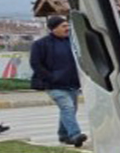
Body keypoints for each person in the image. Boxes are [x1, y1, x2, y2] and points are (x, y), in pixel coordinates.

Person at [30, 15, 86, 146]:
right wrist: (50, 77)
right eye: (63, 26)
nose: (67, 28)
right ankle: (75, 134)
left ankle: (63, 135)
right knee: (67, 107)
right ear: (53, 29)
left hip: (72, 84)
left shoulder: (73, 43)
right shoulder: (41, 44)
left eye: (68, 25)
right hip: (54, 85)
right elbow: (36, 63)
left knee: (70, 110)